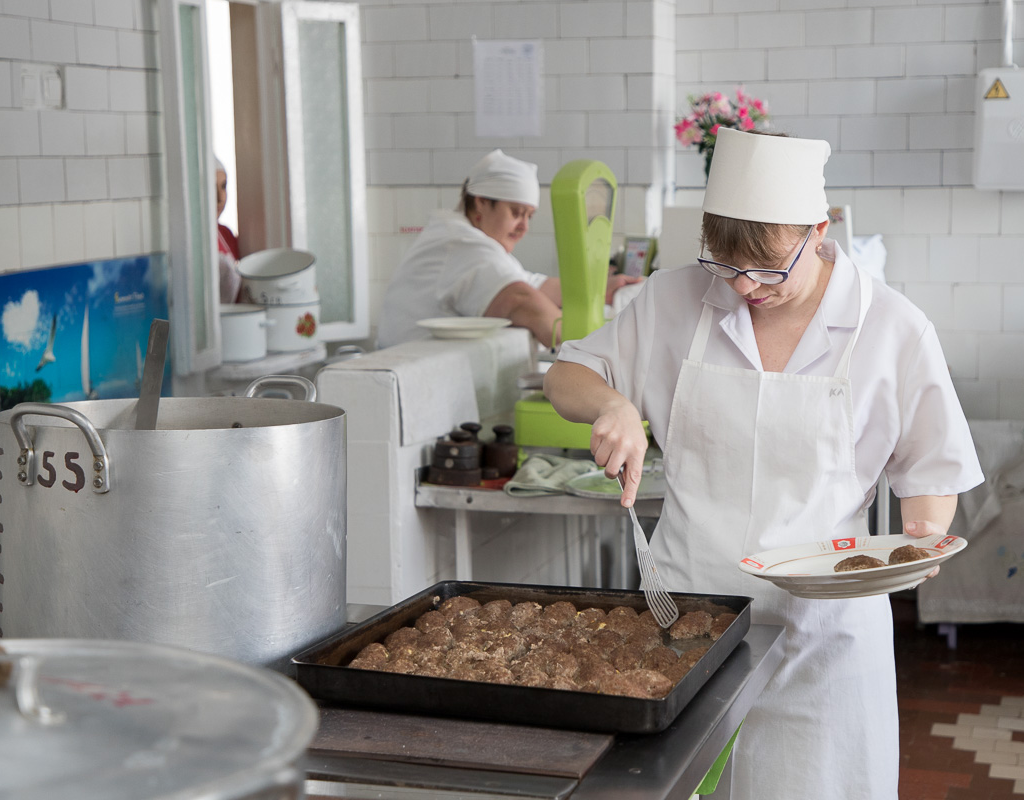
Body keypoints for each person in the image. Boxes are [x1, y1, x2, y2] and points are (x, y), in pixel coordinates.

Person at [543, 129, 983, 799]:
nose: (747, 286)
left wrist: (919, 540)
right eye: (726, 264)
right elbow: (566, 372)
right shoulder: (675, 299)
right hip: (684, 633)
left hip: (824, 644)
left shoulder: (891, 329)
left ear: (819, 228)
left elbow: (932, 476)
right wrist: (614, 405)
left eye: (769, 269)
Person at [377, 149, 641, 349]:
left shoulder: (471, 243)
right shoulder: (460, 244)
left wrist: (604, 289)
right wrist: (590, 351)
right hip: (409, 373)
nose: (523, 226)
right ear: (481, 202)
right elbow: (520, 299)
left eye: (529, 216)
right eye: (516, 213)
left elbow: (533, 285)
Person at [215, 155, 242, 305]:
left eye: (223, 186)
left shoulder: (226, 234)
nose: (220, 198)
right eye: (211, 188)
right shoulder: (190, 238)